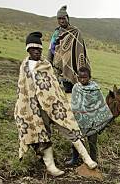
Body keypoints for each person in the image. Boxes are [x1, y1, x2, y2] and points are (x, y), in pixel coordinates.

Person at [14, 31, 97, 176]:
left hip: (53, 105)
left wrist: (58, 100)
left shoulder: (46, 65)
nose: (37, 52)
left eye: (39, 49)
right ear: (28, 50)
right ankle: (51, 167)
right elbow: (23, 89)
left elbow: (53, 86)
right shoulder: (24, 67)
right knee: (43, 134)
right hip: (35, 109)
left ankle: (87, 159)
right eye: (34, 49)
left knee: (68, 127)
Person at [67, 66, 113, 165]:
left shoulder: (95, 89)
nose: (82, 79)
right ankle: (74, 159)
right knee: (76, 140)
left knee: (92, 142)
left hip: (93, 121)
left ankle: (93, 161)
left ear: (90, 77)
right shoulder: (76, 88)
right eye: (80, 77)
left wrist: (101, 119)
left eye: (85, 77)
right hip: (79, 120)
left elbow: (101, 105)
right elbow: (74, 104)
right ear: (77, 77)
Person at [47, 5, 89, 94]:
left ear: (67, 18)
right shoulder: (56, 33)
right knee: (65, 92)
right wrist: (49, 61)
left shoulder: (76, 32)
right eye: (59, 19)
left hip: (75, 68)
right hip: (61, 68)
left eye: (63, 18)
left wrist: (82, 67)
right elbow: (52, 48)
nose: (61, 21)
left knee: (77, 92)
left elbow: (81, 49)